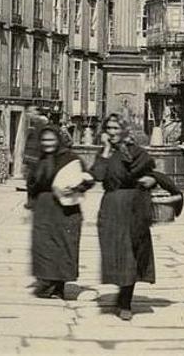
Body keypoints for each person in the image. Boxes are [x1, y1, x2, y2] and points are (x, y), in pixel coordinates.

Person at [90, 115, 157, 321]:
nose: (112, 132)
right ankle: (123, 290)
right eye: (108, 128)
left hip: (134, 205)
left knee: (130, 252)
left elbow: (154, 173)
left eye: (116, 128)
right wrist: (107, 151)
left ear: (124, 130)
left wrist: (152, 180)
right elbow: (98, 176)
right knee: (114, 252)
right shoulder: (104, 153)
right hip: (111, 206)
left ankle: (126, 300)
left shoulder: (136, 152)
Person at [28, 125, 91, 300]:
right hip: (43, 208)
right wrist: (31, 203)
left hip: (66, 210)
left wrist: (76, 187)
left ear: (58, 140)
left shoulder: (71, 158)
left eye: (51, 139)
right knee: (44, 247)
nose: (47, 143)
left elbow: (88, 178)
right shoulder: (38, 159)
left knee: (63, 246)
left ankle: (58, 286)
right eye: (44, 140)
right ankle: (47, 284)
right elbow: (31, 184)